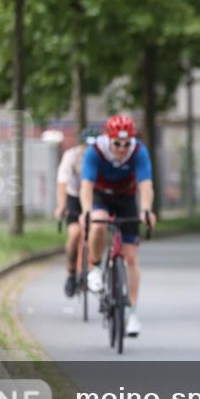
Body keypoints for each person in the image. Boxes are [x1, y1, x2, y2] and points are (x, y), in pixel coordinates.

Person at [79, 114, 156, 337]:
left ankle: (132, 313)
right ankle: (94, 267)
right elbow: (86, 185)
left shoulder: (139, 151)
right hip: (101, 196)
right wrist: (85, 211)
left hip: (126, 198)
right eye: (117, 143)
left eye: (126, 143)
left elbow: (146, 184)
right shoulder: (96, 151)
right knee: (98, 224)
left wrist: (146, 210)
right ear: (108, 138)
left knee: (131, 258)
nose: (122, 148)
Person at [56, 127, 98, 297]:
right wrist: (61, 205)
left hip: (94, 196)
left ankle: (95, 269)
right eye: (87, 146)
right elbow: (62, 182)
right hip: (74, 196)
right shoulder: (71, 156)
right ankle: (71, 273)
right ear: (81, 145)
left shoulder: (100, 158)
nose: (90, 150)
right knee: (74, 234)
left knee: (97, 230)